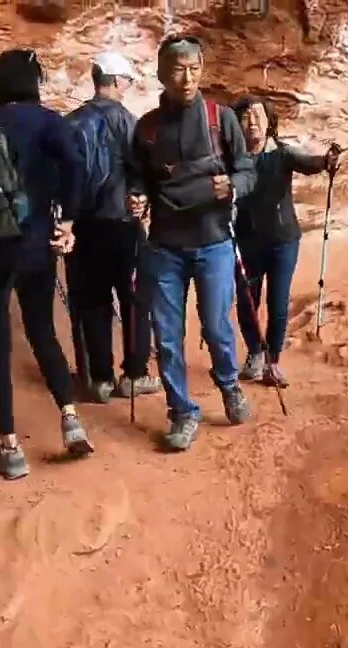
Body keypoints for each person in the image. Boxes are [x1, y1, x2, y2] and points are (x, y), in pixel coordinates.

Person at [126, 36, 257, 451]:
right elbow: (137, 176)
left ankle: (230, 385)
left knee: (217, 327)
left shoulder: (221, 119)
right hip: (165, 246)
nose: (187, 77)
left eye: (195, 68)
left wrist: (233, 185)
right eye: (178, 69)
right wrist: (137, 195)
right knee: (166, 336)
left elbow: (248, 170)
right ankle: (182, 412)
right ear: (162, 73)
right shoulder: (146, 127)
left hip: (214, 243)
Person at [0, 49, 94, 480]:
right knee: (42, 330)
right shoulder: (50, 122)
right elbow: (74, 168)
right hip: (38, 247)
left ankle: (10, 449)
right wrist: (67, 222)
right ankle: (70, 421)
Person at [66, 51, 162, 404]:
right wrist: (141, 197)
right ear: (117, 80)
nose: (128, 87)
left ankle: (100, 380)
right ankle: (135, 375)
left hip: (82, 227)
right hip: (123, 226)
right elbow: (143, 172)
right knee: (135, 299)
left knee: (93, 301)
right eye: (128, 81)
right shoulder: (129, 122)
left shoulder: (71, 123)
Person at [230, 94, 340, 388]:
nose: (251, 122)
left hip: (282, 242)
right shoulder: (233, 161)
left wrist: (327, 161)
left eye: (257, 116)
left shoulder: (282, 155)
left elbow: (309, 162)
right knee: (246, 302)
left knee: (278, 303)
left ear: (269, 123)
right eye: (245, 117)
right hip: (247, 243)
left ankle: (273, 361)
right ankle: (254, 351)